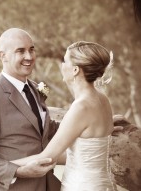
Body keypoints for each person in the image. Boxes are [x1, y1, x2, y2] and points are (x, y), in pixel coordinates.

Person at [0, 28, 61, 191]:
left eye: (31, 49)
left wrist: (90, 122)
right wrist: (19, 171)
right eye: (20, 51)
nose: (29, 57)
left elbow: (46, 129)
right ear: (3, 56)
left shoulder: (36, 89)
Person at [12, 41, 118, 190]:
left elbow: (47, 157)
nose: (62, 65)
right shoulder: (102, 99)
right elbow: (80, 153)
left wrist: (0, 167)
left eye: (65, 61)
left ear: (75, 70)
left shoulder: (80, 107)